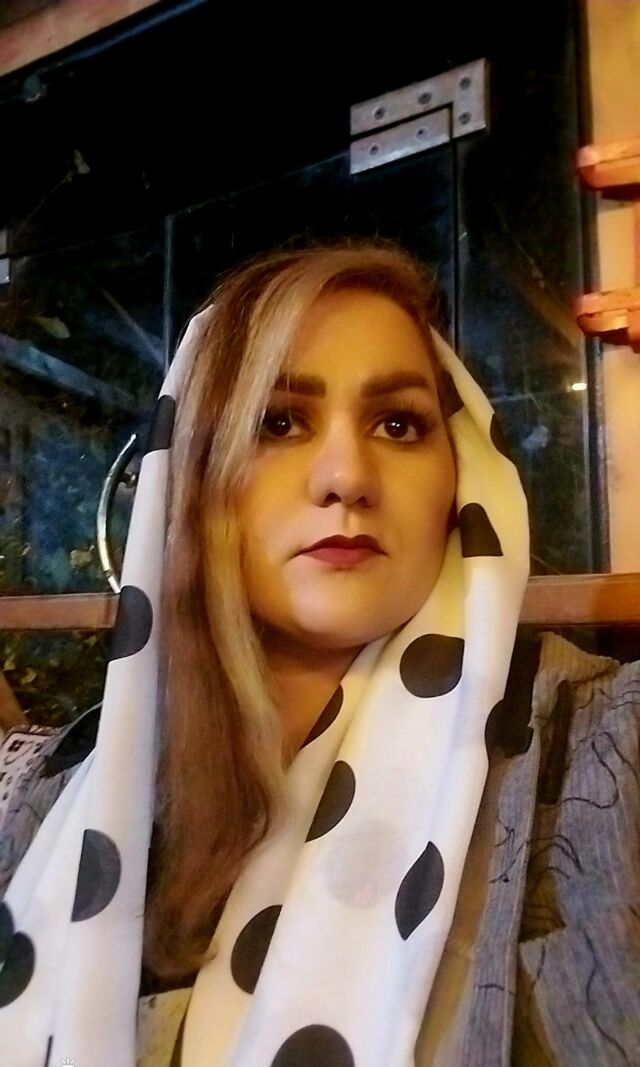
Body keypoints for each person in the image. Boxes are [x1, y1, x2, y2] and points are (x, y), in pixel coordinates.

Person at [0, 239, 638, 1067]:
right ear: (192, 479)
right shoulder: (48, 801)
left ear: (461, 477)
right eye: (280, 421)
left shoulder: (599, 753)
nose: (346, 475)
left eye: (398, 423)